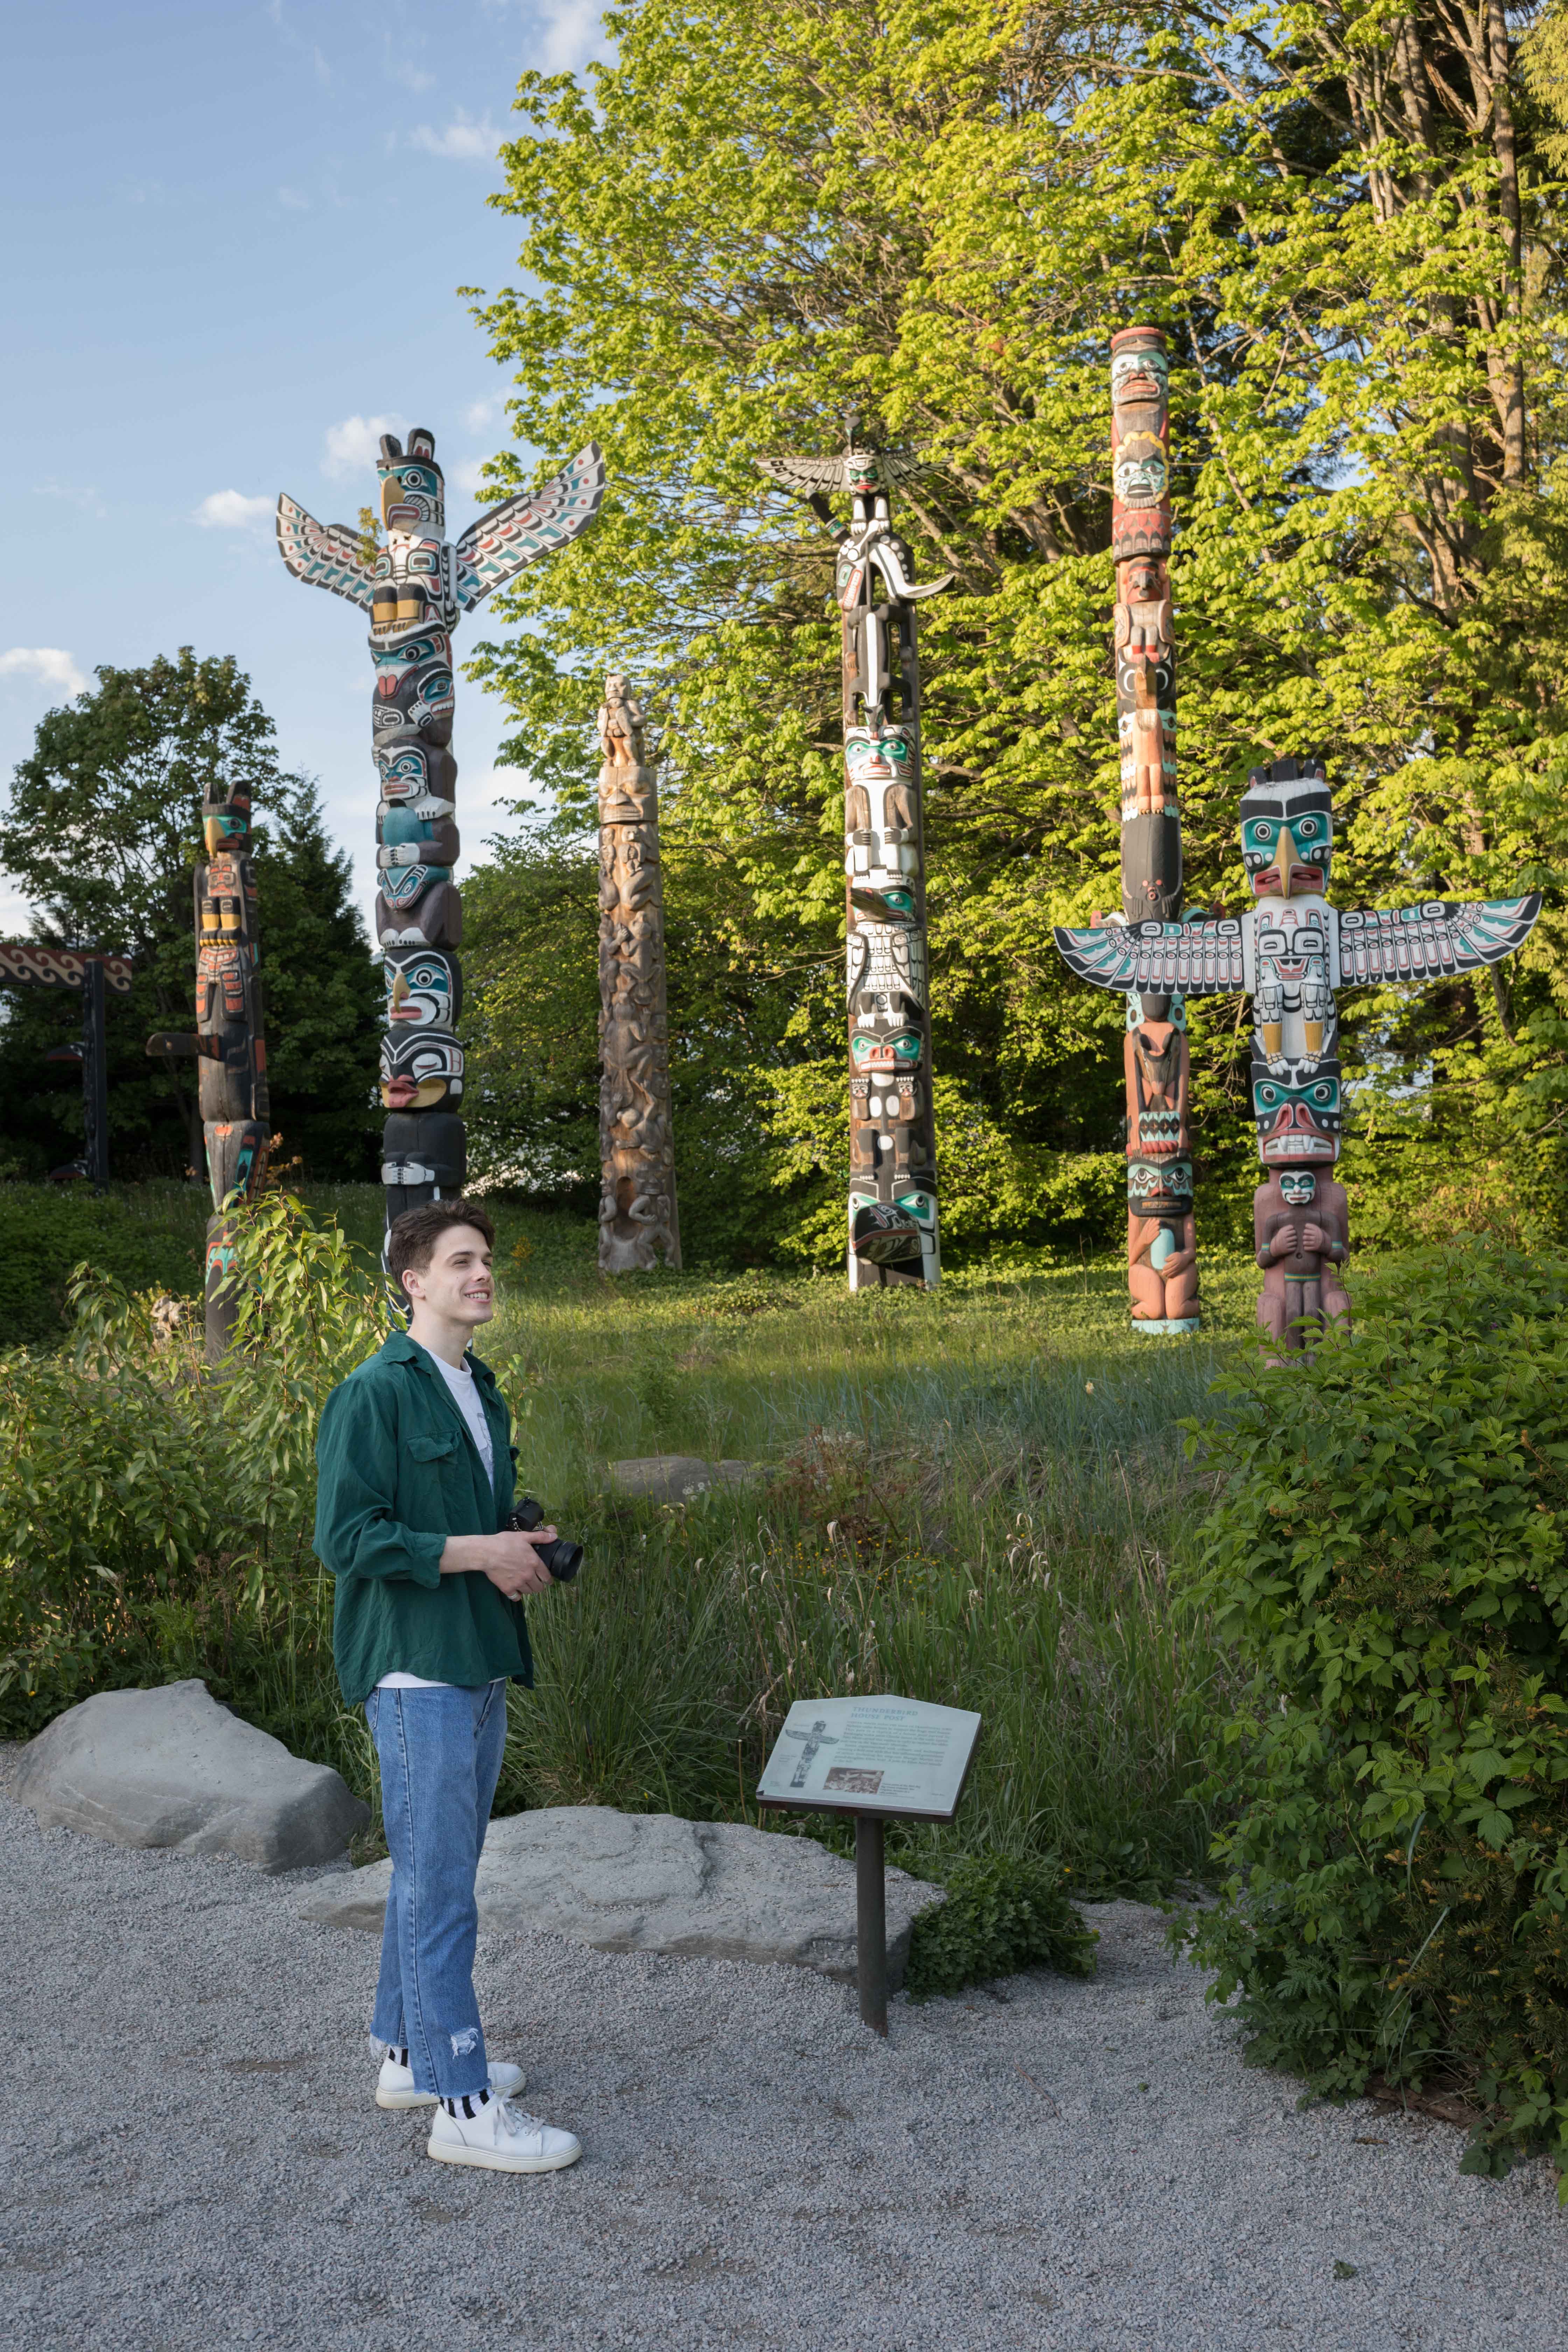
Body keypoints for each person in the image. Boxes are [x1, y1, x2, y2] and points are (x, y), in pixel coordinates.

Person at [313, 1199, 581, 2176]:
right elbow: (346, 1540)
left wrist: (517, 1541)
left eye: (487, 1260)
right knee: (440, 1893)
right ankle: (461, 2106)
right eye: (460, 1262)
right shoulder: (375, 1394)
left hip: (476, 1655)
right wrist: (482, 1550)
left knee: (436, 1873)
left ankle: (403, 2055)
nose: (482, 1275)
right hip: (415, 1668)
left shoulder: (479, 1389)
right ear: (412, 1281)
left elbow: (458, 1520)